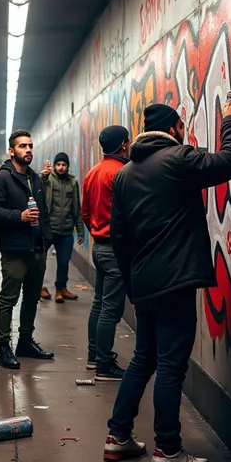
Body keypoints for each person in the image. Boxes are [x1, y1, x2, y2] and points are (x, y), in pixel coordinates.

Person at [104, 97, 231, 462]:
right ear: (175, 129)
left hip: (145, 282)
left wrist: (134, 287)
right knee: (170, 366)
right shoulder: (179, 159)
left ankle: (118, 436)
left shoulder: (124, 175)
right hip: (176, 280)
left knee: (144, 358)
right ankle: (167, 448)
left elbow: (119, 238)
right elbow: (229, 162)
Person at [0, 129, 54, 369]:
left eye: (30, 146)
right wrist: (19, 216)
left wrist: (47, 237)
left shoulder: (34, 177)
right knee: (8, 299)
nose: (29, 150)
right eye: (23, 146)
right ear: (12, 151)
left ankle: (25, 341)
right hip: (14, 249)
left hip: (37, 248)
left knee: (32, 298)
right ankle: (3, 347)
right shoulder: (2, 177)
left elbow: (43, 212)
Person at [82, 126, 130, 382]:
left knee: (99, 304)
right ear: (123, 145)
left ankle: (93, 356)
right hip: (115, 249)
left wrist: (96, 231)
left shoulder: (93, 172)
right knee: (111, 309)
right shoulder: (122, 173)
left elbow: (85, 212)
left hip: (99, 247)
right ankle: (103, 364)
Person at [40, 152, 84, 303]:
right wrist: (43, 176)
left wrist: (80, 231)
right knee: (40, 260)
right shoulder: (48, 179)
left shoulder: (72, 182)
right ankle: (40, 287)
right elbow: (38, 187)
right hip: (49, 229)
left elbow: (77, 208)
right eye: (58, 164)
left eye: (63, 165)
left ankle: (61, 289)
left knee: (64, 262)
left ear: (67, 166)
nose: (60, 167)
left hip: (66, 230)